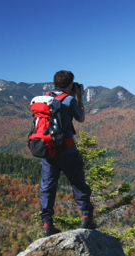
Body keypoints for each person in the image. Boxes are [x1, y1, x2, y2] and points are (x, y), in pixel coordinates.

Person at [39, 70, 96, 237]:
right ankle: (86, 216)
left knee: (48, 187)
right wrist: (79, 98)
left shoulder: (45, 98)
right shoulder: (70, 99)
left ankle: (47, 223)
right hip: (68, 150)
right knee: (78, 182)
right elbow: (81, 118)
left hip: (48, 150)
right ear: (70, 84)